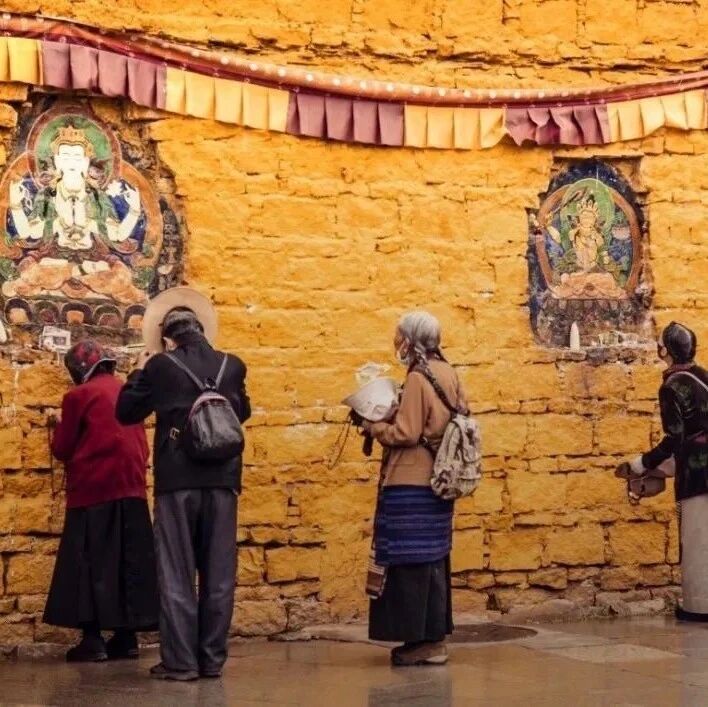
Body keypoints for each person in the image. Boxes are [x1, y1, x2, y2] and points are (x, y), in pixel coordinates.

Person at [116, 287, 251, 681]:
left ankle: (180, 662)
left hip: (177, 482)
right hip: (224, 479)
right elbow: (241, 412)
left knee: (176, 573)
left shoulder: (161, 367)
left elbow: (126, 411)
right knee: (219, 574)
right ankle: (211, 659)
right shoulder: (233, 365)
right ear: (201, 329)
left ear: (167, 337)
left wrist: (139, 370)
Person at [361, 311, 467, 666]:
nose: (397, 342)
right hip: (439, 481)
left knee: (408, 560)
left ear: (411, 339)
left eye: (399, 335)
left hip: (411, 481)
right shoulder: (448, 372)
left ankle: (421, 641)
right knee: (432, 557)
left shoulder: (419, 377)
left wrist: (373, 426)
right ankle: (433, 639)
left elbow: (406, 433)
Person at [44, 339, 158, 662]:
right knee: (127, 562)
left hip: (94, 489)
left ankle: (92, 640)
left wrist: (57, 426)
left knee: (88, 563)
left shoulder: (78, 396)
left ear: (79, 370)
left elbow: (63, 448)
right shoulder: (127, 391)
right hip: (132, 487)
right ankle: (127, 637)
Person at [619, 322, 708, 621]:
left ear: (665, 351)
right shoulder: (703, 376)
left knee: (697, 540)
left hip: (697, 471)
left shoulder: (671, 387)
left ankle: (699, 607)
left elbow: (675, 438)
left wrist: (642, 463)